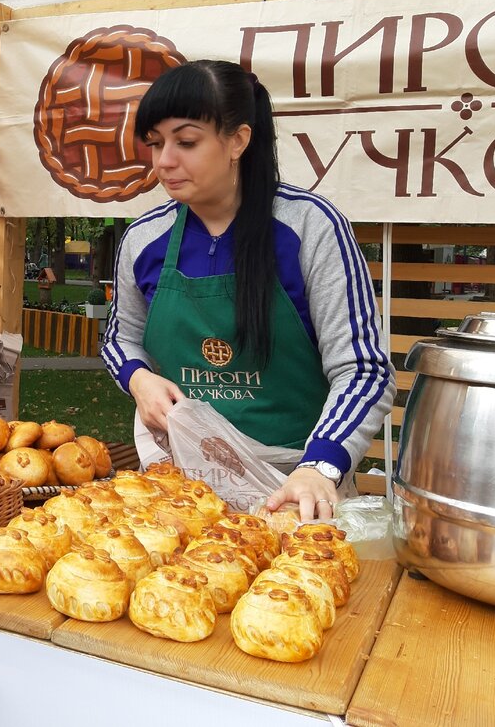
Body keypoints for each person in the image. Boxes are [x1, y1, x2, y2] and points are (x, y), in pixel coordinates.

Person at [102, 60, 394, 522]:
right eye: (156, 143)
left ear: (237, 139)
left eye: (186, 141)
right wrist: (138, 379)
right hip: (181, 486)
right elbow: (120, 337)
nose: (164, 161)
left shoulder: (310, 227)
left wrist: (321, 465)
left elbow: (363, 370)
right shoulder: (143, 239)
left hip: (295, 487)